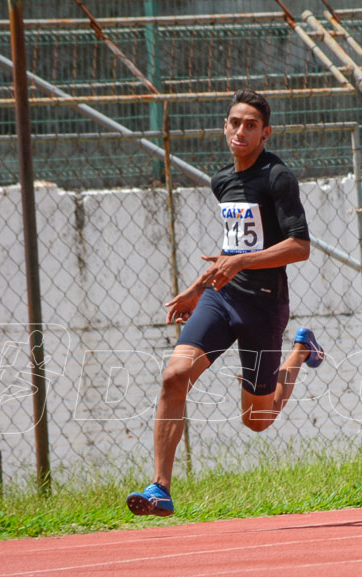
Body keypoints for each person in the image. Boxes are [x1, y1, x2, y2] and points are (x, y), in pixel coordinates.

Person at [126, 89, 324, 517]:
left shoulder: (277, 178)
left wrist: (242, 263)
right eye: (234, 122)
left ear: (265, 133)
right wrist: (201, 285)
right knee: (174, 377)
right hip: (222, 298)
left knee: (257, 420)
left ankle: (302, 350)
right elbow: (233, 245)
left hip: (263, 307)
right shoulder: (222, 181)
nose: (240, 131)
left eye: (250, 125)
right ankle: (160, 487)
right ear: (224, 127)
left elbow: (300, 246)